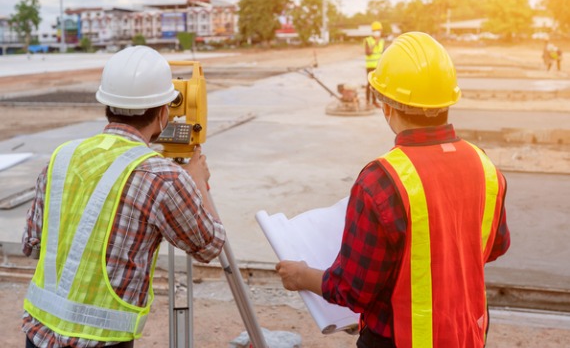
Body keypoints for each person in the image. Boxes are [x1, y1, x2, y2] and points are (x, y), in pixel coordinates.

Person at [276, 32, 510, 348]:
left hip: (401, 340)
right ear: (447, 102)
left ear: (387, 106)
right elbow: (495, 246)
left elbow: (354, 288)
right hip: (469, 333)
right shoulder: (485, 167)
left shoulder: (382, 180)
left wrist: (302, 276)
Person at [21, 46, 226, 348]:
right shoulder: (162, 176)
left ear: (107, 104)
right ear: (162, 112)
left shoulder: (61, 157)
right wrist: (196, 182)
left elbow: (32, 243)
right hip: (104, 341)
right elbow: (209, 246)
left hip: (38, 334)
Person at [364, 21, 385, 108]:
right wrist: (374, 44)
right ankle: (367, 101)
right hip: (370, 66)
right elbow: (368, 53)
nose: (377, 32)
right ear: (372, 31)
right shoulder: (367, 40)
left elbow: (384, 53)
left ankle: (374, 101)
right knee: (369, 84)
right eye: (376, 30)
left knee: (376, 85)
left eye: (379, 30)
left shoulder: (382, 41)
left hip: (378, 66)